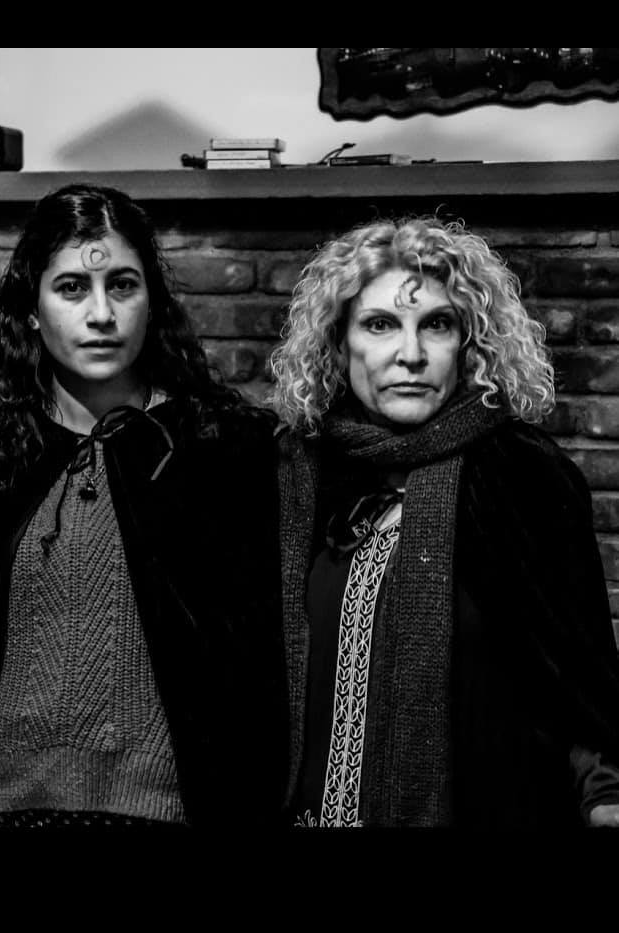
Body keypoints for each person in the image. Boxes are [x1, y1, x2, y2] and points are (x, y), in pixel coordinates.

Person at [0, 183, 287, 828]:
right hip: (0, 810)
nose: (102, 313)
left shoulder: (217, 448)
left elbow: (253, 669)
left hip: (166, 813)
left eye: (123, 286)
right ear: (31, 310)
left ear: (152, 301)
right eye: (72, 288)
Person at [269, 216, 619, 828]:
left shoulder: (522, 478)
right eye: (380, 325)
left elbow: (581, 675)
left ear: (469, 344)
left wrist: (605, 793)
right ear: (338, 343)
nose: (411, 354)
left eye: (437, 324)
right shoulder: (302, 478)